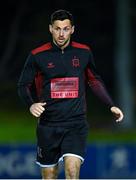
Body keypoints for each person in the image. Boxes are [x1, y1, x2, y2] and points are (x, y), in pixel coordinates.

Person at [18, 9, 124, 179]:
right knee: (49, 176)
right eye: (57, 28)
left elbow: (94, 80)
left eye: (66, 29)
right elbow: (23, 85)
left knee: (72, 172)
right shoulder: (37, 55)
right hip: (48, 125)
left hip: (76, 123)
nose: (61, 33)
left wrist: (110, 104)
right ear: (50, 29)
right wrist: (31, 104)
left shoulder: (84, 52)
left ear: (72, 29)